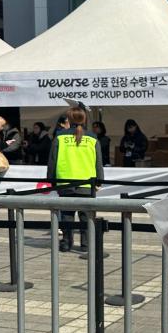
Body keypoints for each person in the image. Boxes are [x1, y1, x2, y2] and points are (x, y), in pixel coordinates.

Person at [47, 107, 103, 252]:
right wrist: (99, 180)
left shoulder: (59, 137)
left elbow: (52, 160)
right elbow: (98, 162)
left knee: (66, 215)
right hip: (87, 182)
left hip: (65, 181)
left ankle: (66, 243)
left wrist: (51, 180)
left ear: (69, 120)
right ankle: (86, 245)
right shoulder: (92, 138)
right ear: (84, 119)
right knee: (86, 217)